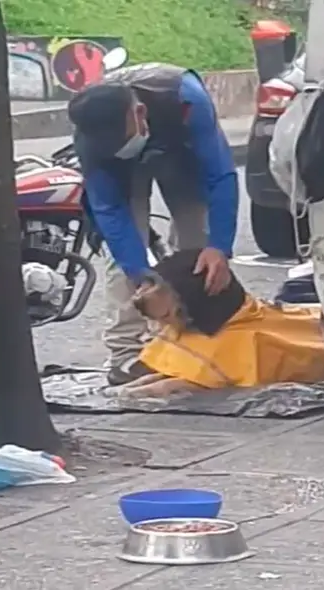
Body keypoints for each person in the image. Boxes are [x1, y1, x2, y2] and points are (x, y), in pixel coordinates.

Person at [66, 63, 239, 385]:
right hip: (120, 172)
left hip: (181, 151)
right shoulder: (92, 138)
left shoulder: (186, 100)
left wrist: (219, 247)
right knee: (123, 259)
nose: (118, 145)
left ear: (140, 113)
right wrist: (138, 271)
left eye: (121, 139)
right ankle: (126, 353)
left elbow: (220, 176)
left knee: (197, 243)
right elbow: (110, 209)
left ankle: (198, 338)